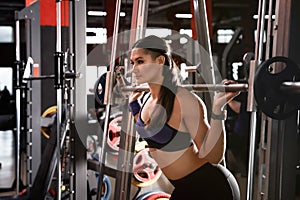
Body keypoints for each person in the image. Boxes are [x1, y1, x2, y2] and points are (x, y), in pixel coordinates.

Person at [128, 35, 240, 200]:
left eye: (140, 61)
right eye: (133, 63)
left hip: (209, 187)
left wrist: (217, 109)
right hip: (184, 187)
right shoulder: (148, 99)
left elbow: (213, 157)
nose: (134, 69)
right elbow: (147, 129)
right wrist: (133, 104)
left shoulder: (183, 100)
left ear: (159, 61)